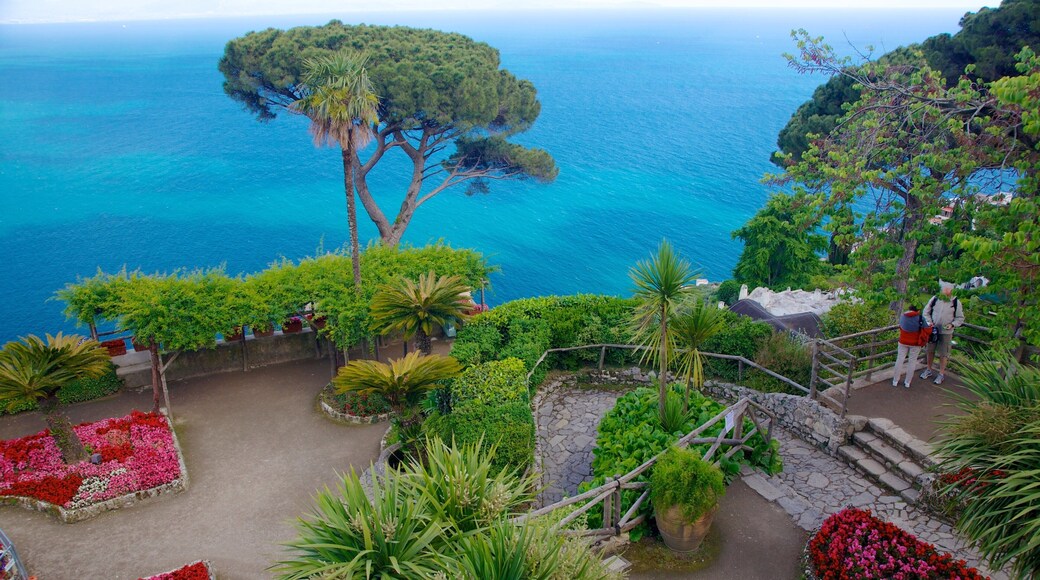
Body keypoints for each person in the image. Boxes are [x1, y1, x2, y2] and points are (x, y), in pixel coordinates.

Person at [920, 282, 965, 385]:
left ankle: (941, 374)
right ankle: (928, 369)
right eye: (943, 290)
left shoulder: (956, 302)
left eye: (946, 290)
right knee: (930, 350)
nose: (944, 292)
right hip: (933, 330)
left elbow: (960, 318)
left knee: (943, 354)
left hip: (946, 332)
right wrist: (929, 322)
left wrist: (952, 324)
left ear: (951, 291)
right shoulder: (935, 299)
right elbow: (926, 312)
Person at [892, 304, 924, 388]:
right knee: (912, 362)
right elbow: (927, 328)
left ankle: (895, 380)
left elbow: (901, 326)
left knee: (899, 360)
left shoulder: (903, 316)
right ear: (918, 310)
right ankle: (907, 382)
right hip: (915, 343)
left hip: (903, 341)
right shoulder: (920, 318)